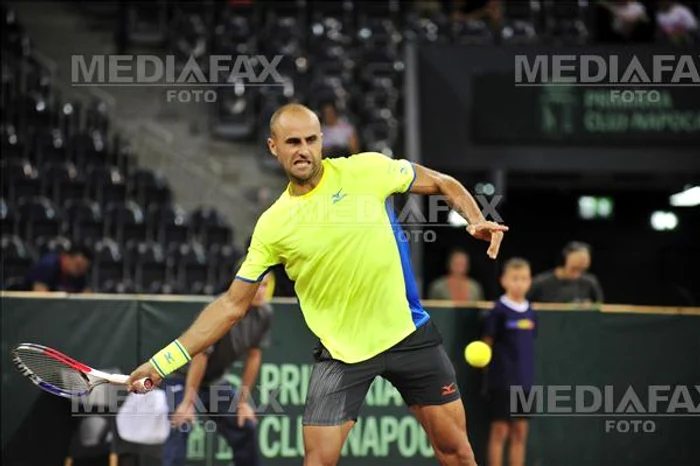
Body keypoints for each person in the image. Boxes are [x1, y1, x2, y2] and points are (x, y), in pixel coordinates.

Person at [128, 103, 508, 466]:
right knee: (318, 460)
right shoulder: (273, 225)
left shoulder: (367, 170)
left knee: (457, 453)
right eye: (293, 142)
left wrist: (474, 217)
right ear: (273, 147)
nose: (304, 150)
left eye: (311, 139)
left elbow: (442, 183)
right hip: (341, 356)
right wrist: (163, 363)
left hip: (410, 335)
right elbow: (231, 305)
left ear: (322, 140)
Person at [164, 272, 273, 466]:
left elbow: (254, 357)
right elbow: (200, 356)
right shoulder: (220, 309)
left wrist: (242, 402)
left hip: (215, 382)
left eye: (265, 285)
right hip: (182, 378)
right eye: (257, 285)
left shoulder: (264, 314)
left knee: (245, 425)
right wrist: (188, 402)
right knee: (182, 424)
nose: (261, 291)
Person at [483, 258, 536, 466]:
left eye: (524, 278)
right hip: (502, 383)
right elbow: (487, 343)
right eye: (515, 279)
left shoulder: (531, 311)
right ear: (504, 281)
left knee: (520, 433)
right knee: (500, 432)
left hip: (525, 383)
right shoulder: (498, 310)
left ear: (530, 281)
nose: (519, 283)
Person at [528, 241, 604, 304]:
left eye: (582, 269)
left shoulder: (590, 282)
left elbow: (599, 308)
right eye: (574, 268)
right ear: (564, 260)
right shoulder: (540, 282)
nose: (577, 274)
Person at [24, 244, 92, 292]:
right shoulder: (48, 266)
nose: (80, 271)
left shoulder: (79, 275)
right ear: (66, 258)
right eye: (78, 266)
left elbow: (84, 295)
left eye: (84, 269)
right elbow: (40, 296)